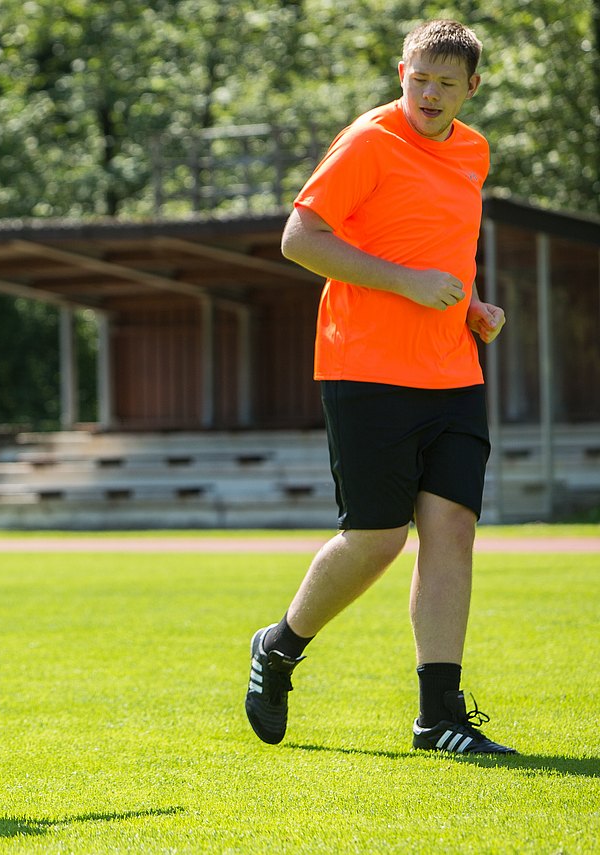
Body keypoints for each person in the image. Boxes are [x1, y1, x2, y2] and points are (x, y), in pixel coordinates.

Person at [244, 20, 515, 755]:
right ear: (402, 72)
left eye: (447, 84)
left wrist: (471, 305)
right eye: (419, 79)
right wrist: (409, 285)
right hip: (366, 368)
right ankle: (280, 644)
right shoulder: (368, 140)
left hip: (454, 367)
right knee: (377, 537)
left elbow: (438, 248)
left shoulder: (474, 152)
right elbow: (300, 238)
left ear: (472, 88)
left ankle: (440, 717)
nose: (429, 94)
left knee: (452, 528)